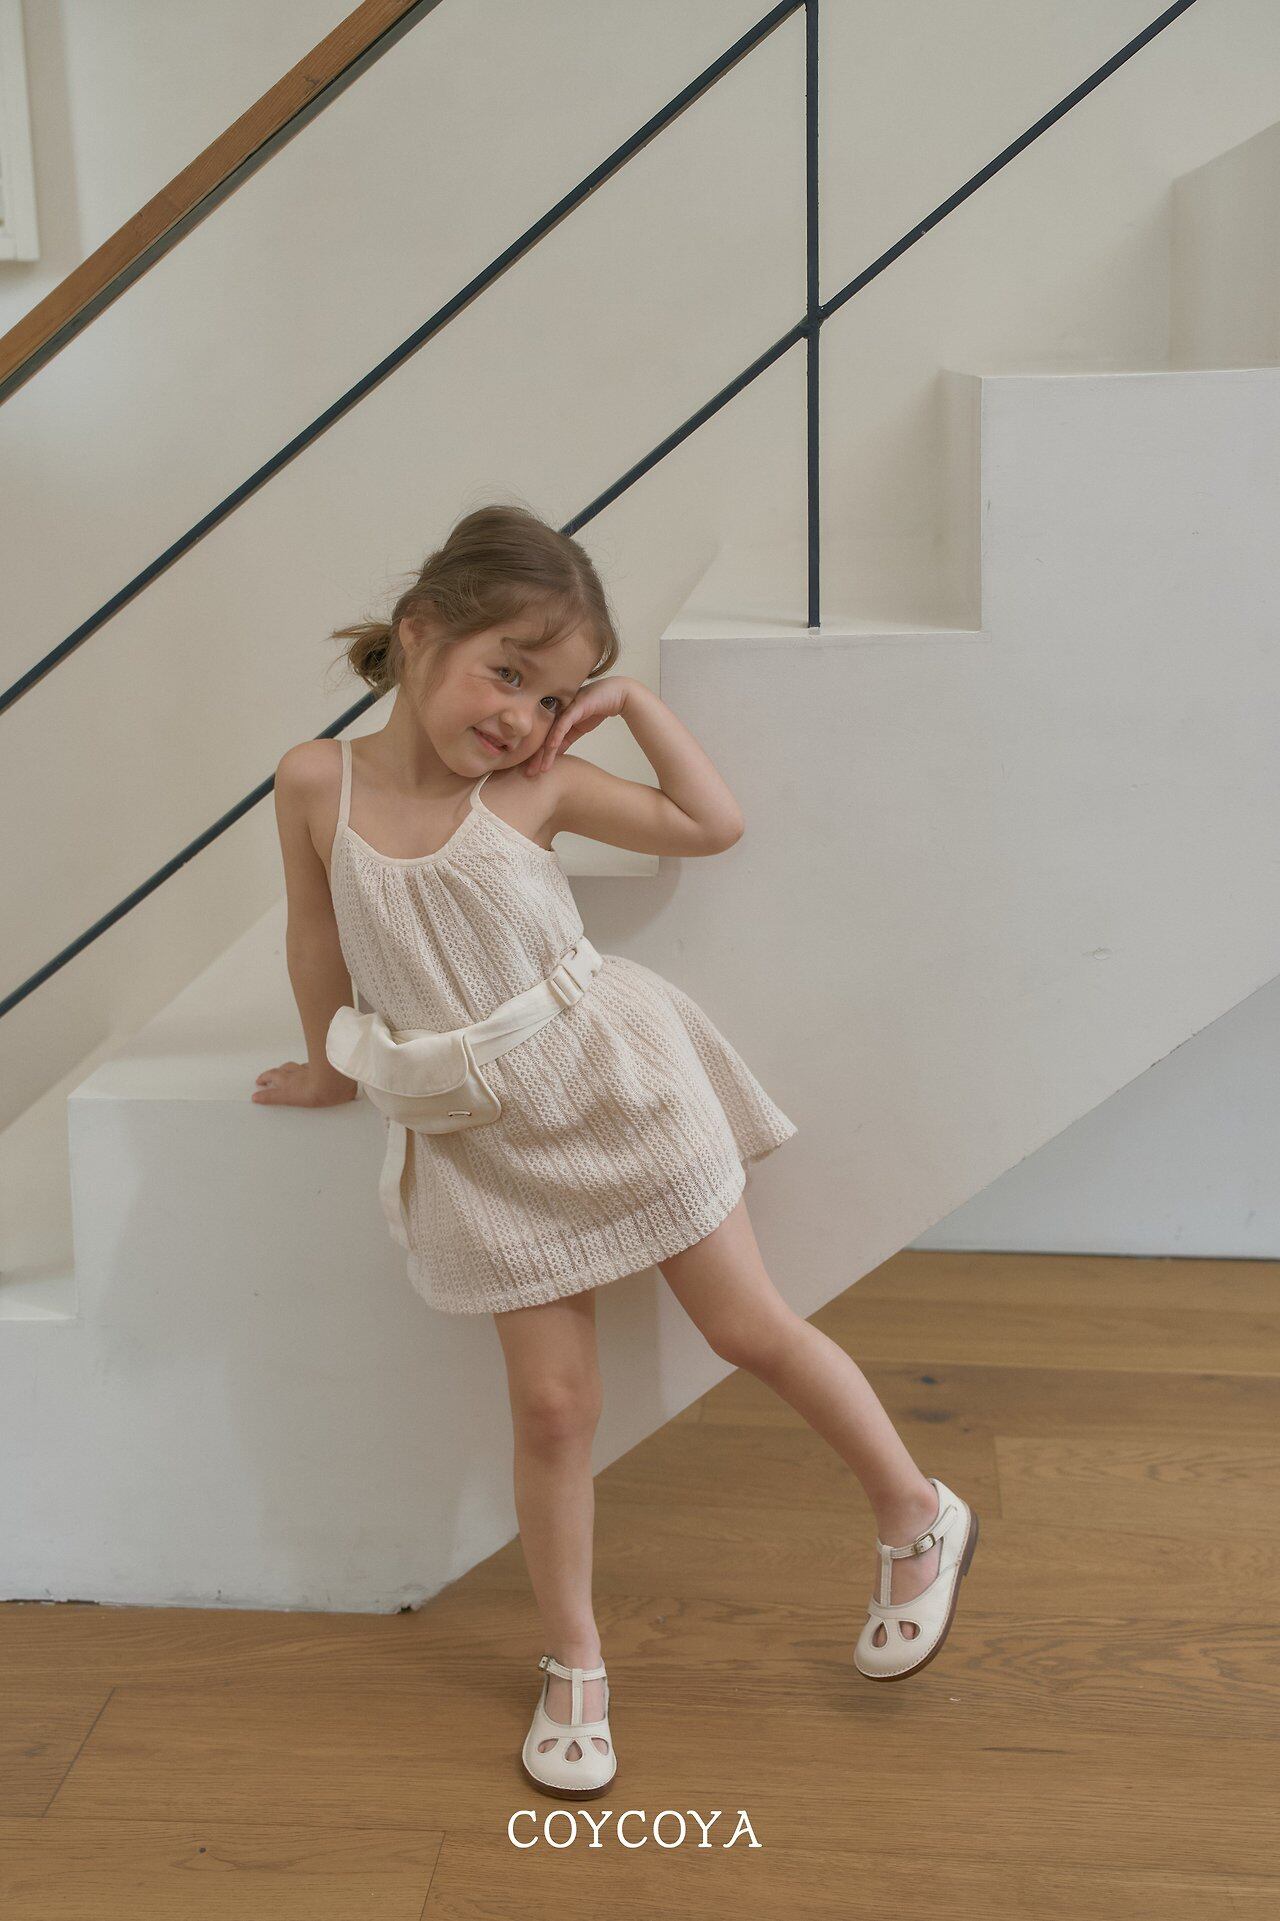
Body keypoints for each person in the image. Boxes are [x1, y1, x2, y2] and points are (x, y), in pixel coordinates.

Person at [252, 502, 978, 1797]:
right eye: (507, 672)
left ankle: (917, 1512)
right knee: (551, 1407)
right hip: (477, 1136)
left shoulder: (532, 786)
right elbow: (316, 933)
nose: (522, 715)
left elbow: (710, 824)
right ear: (418, 632)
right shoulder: (317, 781)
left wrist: (631, 705)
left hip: (614, 1083)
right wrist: (324, 1061)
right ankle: (574, 1660)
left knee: (748, 1326)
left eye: (553, 694)